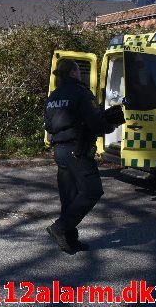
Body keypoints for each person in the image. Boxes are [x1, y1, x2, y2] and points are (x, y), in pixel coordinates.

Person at [44, 59, 122, 254]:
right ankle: (60, 228)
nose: (80, 73)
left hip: (60, 151)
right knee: (91, 191)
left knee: (69, 197)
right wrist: (109, 124)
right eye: (78, 70)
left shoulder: (53, 96)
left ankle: (70, 240)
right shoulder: (81, 93)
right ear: (73, 72)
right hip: (77, 150)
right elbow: (94, 123)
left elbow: (49, 125)